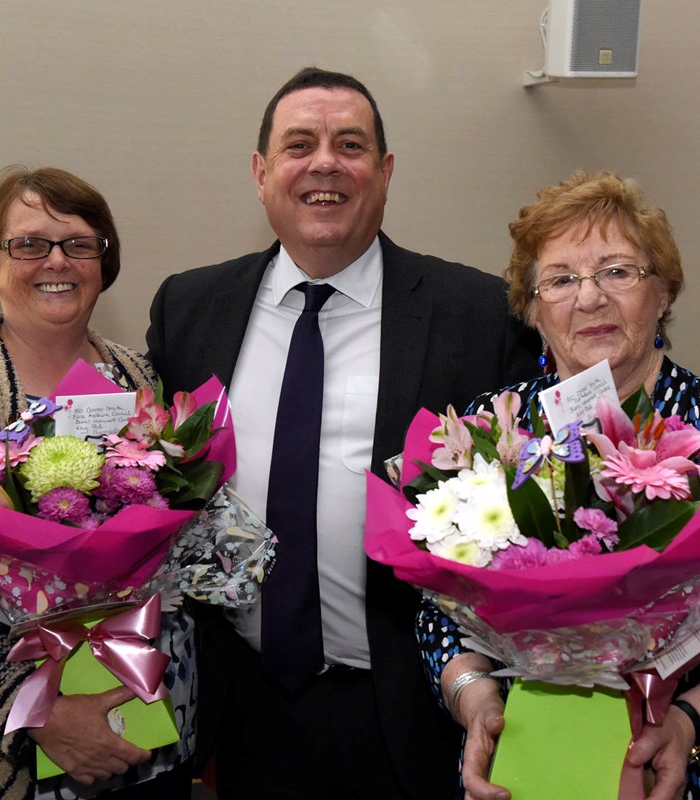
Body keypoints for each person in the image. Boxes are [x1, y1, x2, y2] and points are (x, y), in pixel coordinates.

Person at [145, 67, 539, 799]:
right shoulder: (189, 310)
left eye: (349, 144)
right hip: (243, 702)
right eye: (299, 144)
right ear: (262, 174)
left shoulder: (476, 315)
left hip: (418, 704)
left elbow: (530, 509)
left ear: (384, 173)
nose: (324, 163)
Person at [417, 170, 700, 800]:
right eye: (560, 279)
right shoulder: (490, 436)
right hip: (528, 760)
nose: (589, 299)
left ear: (663, 292)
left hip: (699, 773)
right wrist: (476, 702)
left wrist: (686, 726)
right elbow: (439, 614)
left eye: (618, 271)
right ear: (530, 309)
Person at [0, 166, 195, 800]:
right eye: (28, 243)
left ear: (103, 263)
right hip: (14, 742)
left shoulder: (143, 379)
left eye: (79, 243)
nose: (57, 260)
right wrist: (37, 717)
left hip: (151, 710)